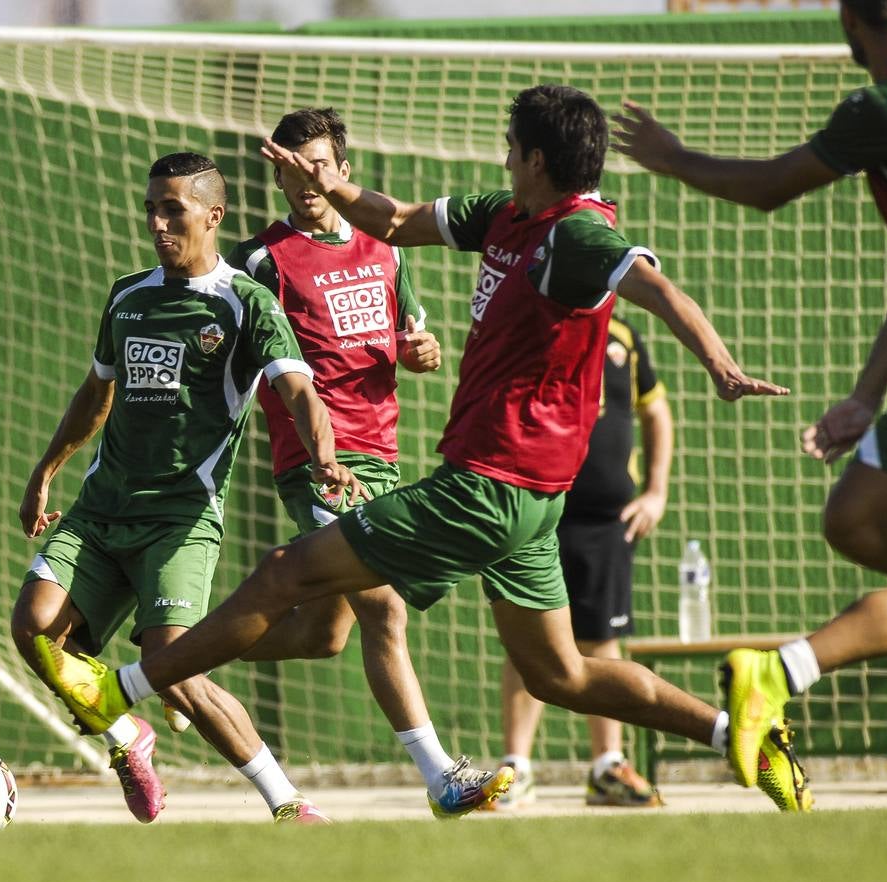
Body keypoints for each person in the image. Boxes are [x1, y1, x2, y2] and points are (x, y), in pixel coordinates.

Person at [42, 85, 811, 812]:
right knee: (559, 673)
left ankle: (126, 690)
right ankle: (735, 731)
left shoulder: (575, 231)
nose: (503, 156)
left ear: (536, 158)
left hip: (486, 483)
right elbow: (402, 217)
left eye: (511, 146)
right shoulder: (503, 214)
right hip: (532, 498)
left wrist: (718, 363)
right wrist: (328, 186)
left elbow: (654, 284)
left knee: (289, 577)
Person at [611, 0, 887, 792]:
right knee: (855, 517)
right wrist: (867, 392)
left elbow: (767, 187)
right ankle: (774, 671)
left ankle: (778, 672)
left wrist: (672, 156)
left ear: (846, 21)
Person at [11, 151, 362, 825]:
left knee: (172, 663)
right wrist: (45, 470)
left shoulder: (245, 303)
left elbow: (298, 389)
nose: (158, 221)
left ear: (213, 214)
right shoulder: (128, 295)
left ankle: (286, 803)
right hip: (99, 511)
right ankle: (127, 738)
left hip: (180, 518)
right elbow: (95, 393)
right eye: (150, 207)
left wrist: (323, 455)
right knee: (35, 631)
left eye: (172, 208)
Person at [220, 108, 509, 818]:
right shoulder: (259, 260)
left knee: (324, 634)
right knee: (384, 607)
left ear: (343, 169)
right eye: (290, 166)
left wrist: (420, 352)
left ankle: (183, 661)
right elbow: (244, 362)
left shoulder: (385, 247)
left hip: (381, 456)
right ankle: (441, 777)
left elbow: (409, 338)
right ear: (278, 174)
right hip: (316, 461)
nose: (306, 178)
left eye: (317, 163)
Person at [494, 315, 673, 809]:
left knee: (601, 640)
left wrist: (656, 491)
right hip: (536, 509)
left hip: (606, 519)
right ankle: (517, 766)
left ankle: (607, 766)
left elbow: (656, 412)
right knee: (527, 636)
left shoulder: (625, 336)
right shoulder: (531, 322)